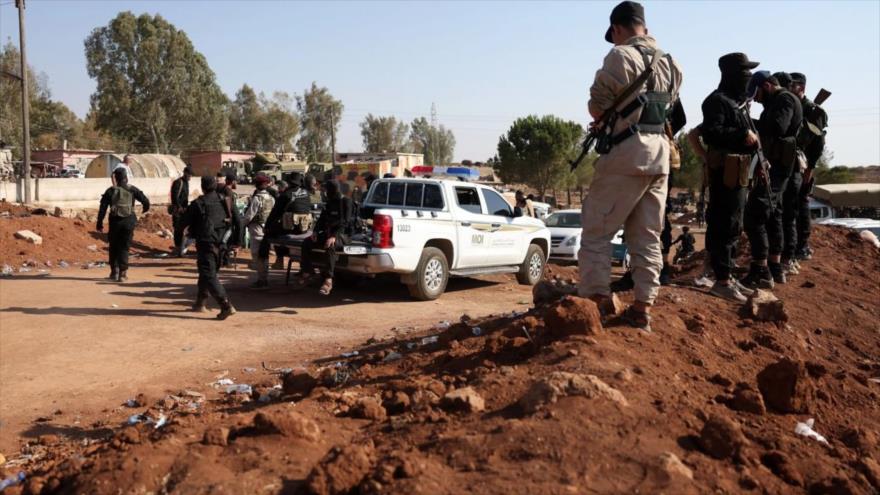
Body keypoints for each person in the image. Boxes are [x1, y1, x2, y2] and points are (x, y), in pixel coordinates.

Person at [577, 0, 683, 332]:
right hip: (659, 156)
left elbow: (597, 107)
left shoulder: (619, 56)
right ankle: (642, 309)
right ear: (646, 29)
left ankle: (594, 306)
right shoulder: (671, 63)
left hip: (626, 154)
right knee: (648, 236)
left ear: (618, 29)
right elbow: (673, 112)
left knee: (597, 232)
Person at [699, 53, 761, 301]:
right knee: (725, 224)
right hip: (725, 172)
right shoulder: (717, 101)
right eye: (744, 74)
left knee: (734, 225)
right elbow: (711, 133)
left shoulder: (737, 103)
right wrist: (741, 135)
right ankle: (721, 281)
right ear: (732, 75)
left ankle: (728, 276)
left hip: (740, 172)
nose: (748, 79)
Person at [740, 71, 802, 288]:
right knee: (774, 214)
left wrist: (749, 123)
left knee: (754, 214)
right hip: (775, 165)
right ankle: (774, 269)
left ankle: (761, 270)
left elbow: (778, 127)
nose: (755, 99)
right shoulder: (778, 100)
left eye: (755, 93)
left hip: (779, 167)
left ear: (766, 85)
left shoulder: (784, 99)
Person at [181, 176, 239, 320]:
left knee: (208, 274)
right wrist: (237, 242)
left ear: (202, 187)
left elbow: (183, 223)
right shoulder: (225, 200)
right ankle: (200, 303)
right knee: (206, 272)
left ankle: (226, 305)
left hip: (206, 244)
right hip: (223, 243)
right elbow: (238, 221)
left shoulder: (198, 203)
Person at [789, 71, 827, 262]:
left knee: (801, 203)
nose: (789, 88)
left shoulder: (812, 111)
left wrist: (809, 171)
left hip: (804, 165)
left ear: (801, 87)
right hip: (791, 163)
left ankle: (802, 246)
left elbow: (818, 145)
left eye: (793, 85)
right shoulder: (791, 106)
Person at [298, 180, 353, 296]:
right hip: (328, 233)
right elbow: (322, 219)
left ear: (332, 190)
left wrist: (334, 236)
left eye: (326, 190)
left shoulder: (346, 201)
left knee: (330, 245)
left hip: (342, 235)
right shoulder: (329, 203)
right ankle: (308, 272)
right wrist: (315, 232)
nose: (324, 193)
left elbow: (346, 222)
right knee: (306, 243)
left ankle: (328, 280)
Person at [97, 168, 151, 282]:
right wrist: (144, 210)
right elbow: (146, 202)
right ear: (126, 177)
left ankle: (114, 272)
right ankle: (123, 273)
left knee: (113, 247)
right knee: (125, 247)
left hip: (115, 222)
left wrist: (99, 223)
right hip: (129, 221)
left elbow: (102, 208)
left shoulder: (110, 191)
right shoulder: (132, 189)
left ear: (115, 178)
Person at [243, 174, 275, 289]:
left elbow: (249, 216)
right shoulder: (271, 198)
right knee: (264, 255)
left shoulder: (257, 198)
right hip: (267, 231)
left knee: (257, 255)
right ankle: (264, 278)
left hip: (256, 229)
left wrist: (242, 225)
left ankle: (262, 281)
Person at [170, 167, 193, 256]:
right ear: (185, 173)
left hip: (184, 210)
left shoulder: (186, 183)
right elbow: (174, 197)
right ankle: (177, 248)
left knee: (183, 229)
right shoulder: (178, 182)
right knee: (177, 229)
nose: (190, 176)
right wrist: (179, 207)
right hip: (178, 210)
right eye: (189, 174)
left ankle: (181, 248)